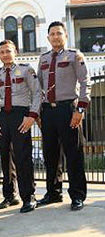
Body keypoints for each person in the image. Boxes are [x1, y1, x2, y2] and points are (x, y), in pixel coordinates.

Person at [36, 21, 91, 211]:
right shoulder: (43, 59)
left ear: (65, 35)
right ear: (48, 37)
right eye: (52, 34)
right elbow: (38, 89)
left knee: (73, 154)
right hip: (48, 112)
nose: (55, 37)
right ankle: (53, 193)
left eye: (59, 33)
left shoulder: (75, 56)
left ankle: (77, 195)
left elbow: (85, 83)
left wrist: (80, 110)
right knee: (50, 155)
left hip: (68, 109)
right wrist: (37, 112)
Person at [0, 40, 42, 213]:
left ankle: (29, 196)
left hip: (21, 115)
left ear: (15, 52)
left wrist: (32, 115)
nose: (5, 54)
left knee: (23, 156)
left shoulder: (26, 70)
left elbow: (37, 93)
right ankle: (9, 195)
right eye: (2, 52)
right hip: (3, 117)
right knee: (5, 157)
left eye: (8, 51)